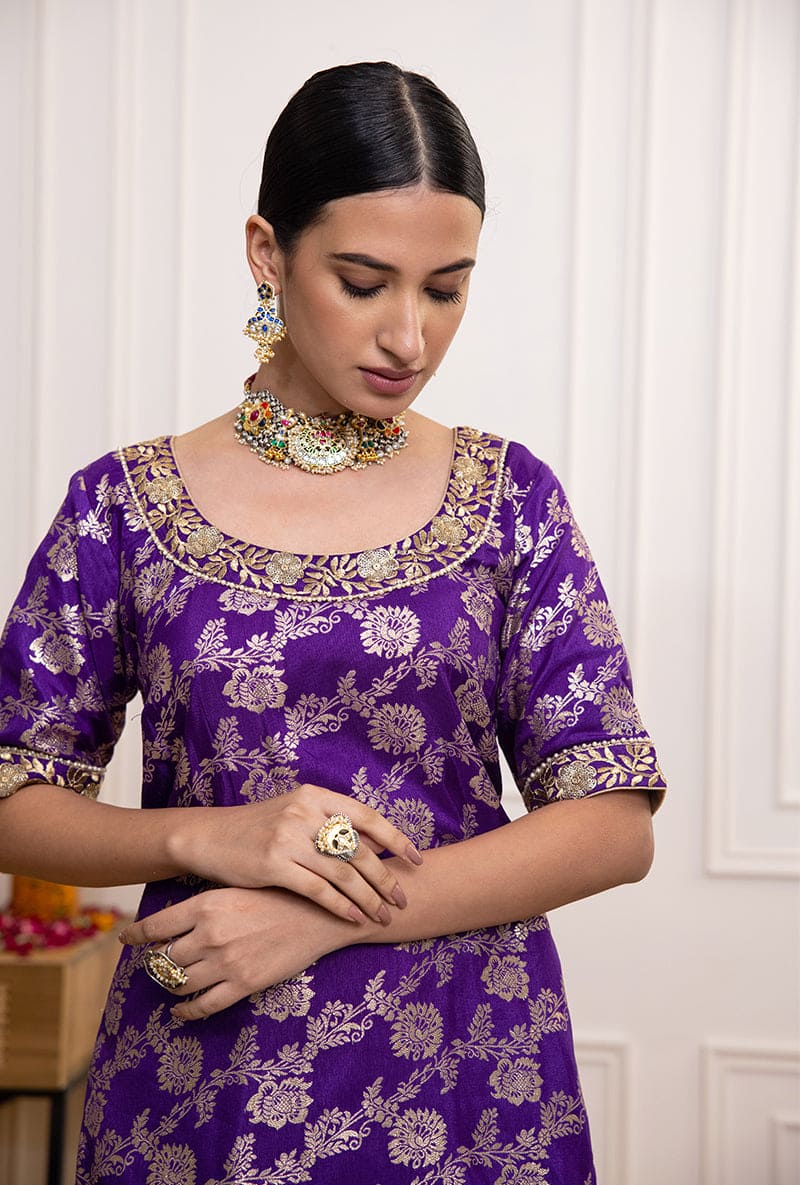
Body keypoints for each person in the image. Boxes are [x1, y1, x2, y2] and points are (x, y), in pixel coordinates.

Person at [0, 61, 666, 1184]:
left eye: (444, 289)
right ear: (269, 254)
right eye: (363, 282)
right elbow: (12, 795)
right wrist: (198, 837)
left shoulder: (508, 499)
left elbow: (611, 822)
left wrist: (329, 915)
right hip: (198, 1080)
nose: (408, 335)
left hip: (467, 1072)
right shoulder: (121, 504)